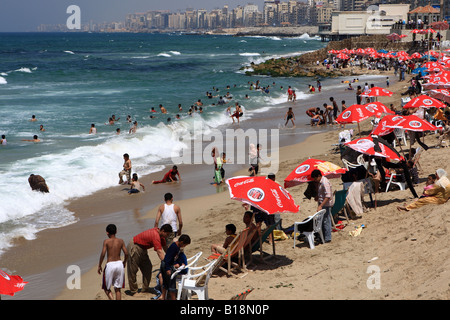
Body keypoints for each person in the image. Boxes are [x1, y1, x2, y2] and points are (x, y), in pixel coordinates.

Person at [126, 224, 172, 296]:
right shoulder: (155, 235)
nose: (167, 236)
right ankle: (133, 291)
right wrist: (166, 264)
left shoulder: (161, 236)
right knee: (133, 269)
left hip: (143, 248)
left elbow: (165, 248)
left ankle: (145, 288)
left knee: (148, 267)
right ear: (163, 231)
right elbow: (159, 252)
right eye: (167, 234)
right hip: (135, 246)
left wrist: (171, 257)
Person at [97, 224, 129, 300]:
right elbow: (126, 253)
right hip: (119, 264)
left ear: (107, 233)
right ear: (116, 231)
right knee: (117, 288)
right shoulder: (121, 241)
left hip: (110, 265)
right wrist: (124, 262)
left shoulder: (106, 241)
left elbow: (103, 254)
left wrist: (99, 265)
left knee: (106, 287)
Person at [159, 234, 191, 300]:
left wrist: (180, 263)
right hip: (166, 265)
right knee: (171, 285)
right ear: (182, 242)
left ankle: (163, 296)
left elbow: (175, 257)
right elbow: (167, 258)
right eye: (185, 245)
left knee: (166, 282)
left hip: (168, 264)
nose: (184, 246)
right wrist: (168, 269)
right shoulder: (174, 247)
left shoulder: (178, 247)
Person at [311, 169, 332, 243]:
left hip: (325, 204)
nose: (315, 180)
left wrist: (321, 206)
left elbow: (328, 196)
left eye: (315, 178)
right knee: (322, 220)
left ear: (319, 176)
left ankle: (327, 237)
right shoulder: (320, 182)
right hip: (321, 202)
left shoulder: (324, 182)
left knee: (326, 220)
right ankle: (324, 236)